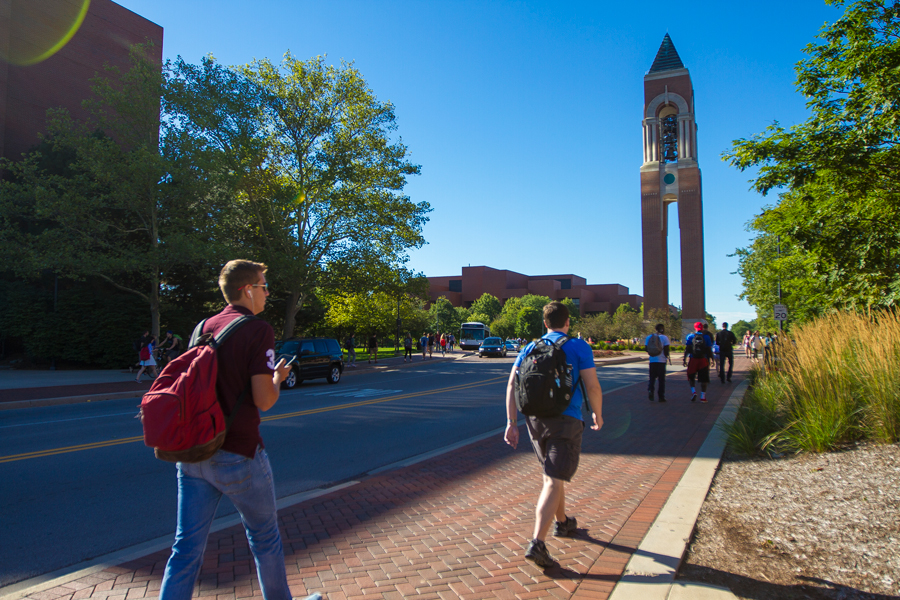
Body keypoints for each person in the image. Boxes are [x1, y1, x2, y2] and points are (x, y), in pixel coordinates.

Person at [159, 259, 321, 600]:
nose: (268, 293)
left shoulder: (203, 327)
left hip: (194, 452)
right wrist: (278, 378)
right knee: (264, 537)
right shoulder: (258, 329)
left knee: (185, 547)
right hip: (238, 453)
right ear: (247, 290)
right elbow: (264, 399)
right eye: (264, 286)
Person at [503, 302, 604, 568]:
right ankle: (537, 543)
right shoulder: (579, 347)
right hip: (566, 420)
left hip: (535, 421)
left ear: (545, 323)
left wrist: (511, 422)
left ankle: (563, 522)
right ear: (567, 322)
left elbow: (512, 385)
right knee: (552, 479)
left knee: (553, 475)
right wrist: (597, 413)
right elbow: (593, 386)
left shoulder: (529, 347)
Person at [683, 321, 715, 403]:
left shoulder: (690, 336)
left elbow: (687, 349)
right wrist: (712, 359)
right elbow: (709, 349)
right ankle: (703, 397)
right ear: (702, 328)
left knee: (691, 377)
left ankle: (693, 391)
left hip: (693, 359)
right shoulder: (706, 337)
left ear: (695, 328)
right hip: (703, 359)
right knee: (704, 379)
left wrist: (684, 359)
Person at [645, 323, 671, 402]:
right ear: (662, 329)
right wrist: (666, 356)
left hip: (652, 360)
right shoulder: (665, 338)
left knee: (652, 378)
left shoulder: (649, 337)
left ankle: (650, 390)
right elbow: (666, 349)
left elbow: (646, 348)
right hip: (661, 361)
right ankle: (661, 396)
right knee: (661, 379)